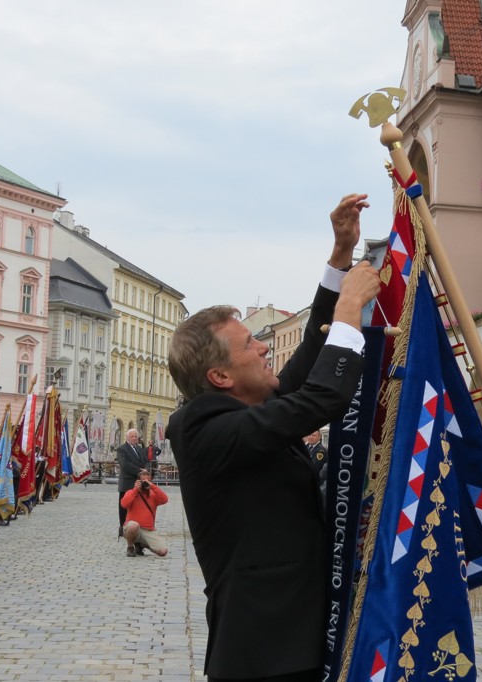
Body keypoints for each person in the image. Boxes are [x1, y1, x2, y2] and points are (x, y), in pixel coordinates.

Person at [165, 193, 380, 682]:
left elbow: (306, 364)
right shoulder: (203, 428)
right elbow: (319, 399)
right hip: (261, 656)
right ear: (220, 376)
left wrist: (340, 260)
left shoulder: (247, 408)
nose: (264, 347)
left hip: (292, 643)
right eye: (249, 345)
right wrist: (350, 310)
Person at [120, 469, 168, 557]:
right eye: (143, 481)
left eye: (148, 481)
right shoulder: (131, 493)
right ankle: (130, 547)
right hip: (133, 528)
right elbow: (124, 504)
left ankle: (141, 544)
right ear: (138, 481)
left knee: (163, 551)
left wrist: (153, 486)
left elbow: (165, 499)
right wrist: (135, 490)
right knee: (134, 525)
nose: (145, 483)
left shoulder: (153, 494)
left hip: (148, 530)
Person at [115, 429, 147, 538]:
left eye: (136, 436)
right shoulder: (121, 449)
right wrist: (140, 470)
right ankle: (123, 528)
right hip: (127, 482)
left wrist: (146, 470)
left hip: (139, 483)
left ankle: (137, 529)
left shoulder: (140, 449)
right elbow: (125, 465)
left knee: (137, 507)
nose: (134, 438)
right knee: (124, 507)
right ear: (127, 438)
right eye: (132, 436)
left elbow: (146, 461)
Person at [304, 429, 327, 495]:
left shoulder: (320, 451)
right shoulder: (307, 447)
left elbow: (314, 467)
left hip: (314, 483)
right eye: (309, 435)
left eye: (313, 435)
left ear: (319, 437)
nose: (310, 437)